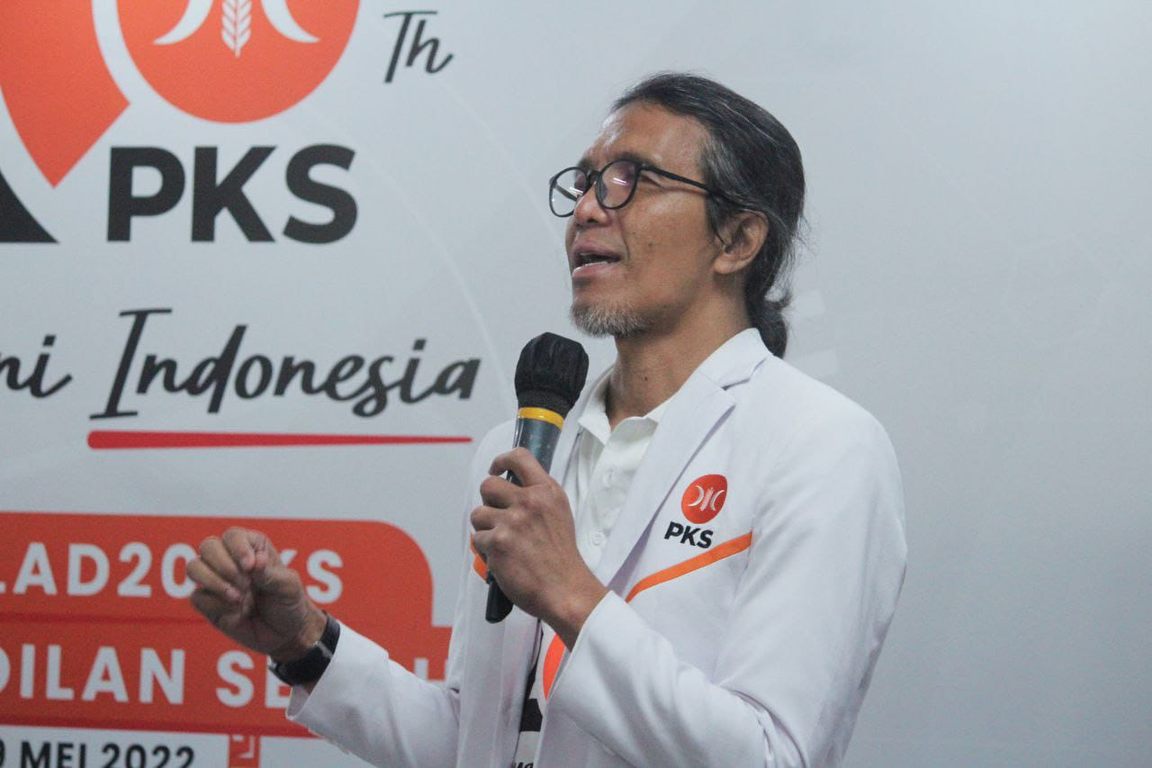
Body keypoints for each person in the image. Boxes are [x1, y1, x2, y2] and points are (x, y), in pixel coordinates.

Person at [187, 72, 907, 767]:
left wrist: (571, 595)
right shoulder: (521, 450)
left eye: (632, 179)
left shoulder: (820, 447)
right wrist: (305, 644)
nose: (588, 209)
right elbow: (478, 740)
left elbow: (769, 754)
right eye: (586, 181)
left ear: (737, 240)